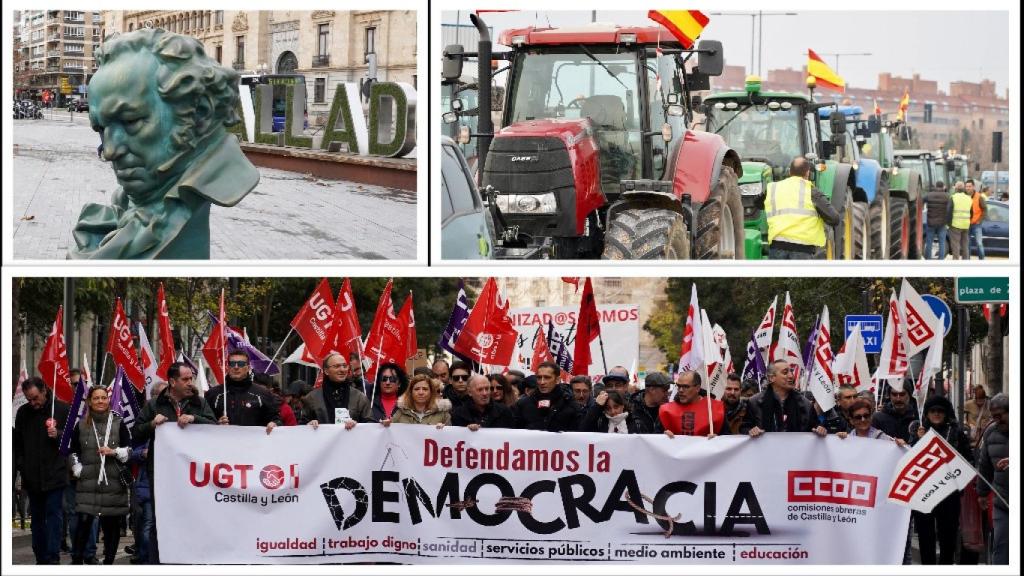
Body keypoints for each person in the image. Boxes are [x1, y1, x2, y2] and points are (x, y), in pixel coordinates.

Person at [69, 28, 259, 259]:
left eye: (130, 121)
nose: (109, 151)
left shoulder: (204, 186)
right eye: (100, 129)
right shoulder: (133, 198)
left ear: (200, 113)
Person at [134, 362, 216, 564]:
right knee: (160, 519)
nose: (190, 383)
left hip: (193, 474)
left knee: (191, 517)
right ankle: (158, 562)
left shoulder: (199, 403)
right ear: (172, 381)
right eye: (185, 379)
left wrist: (195, 418)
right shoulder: (154, 405)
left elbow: (214, 427)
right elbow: (135, 433)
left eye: (191, 379)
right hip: (162, 473)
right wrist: (152, 424)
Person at [69, 386, 131, 565]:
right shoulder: (81, 425)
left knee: (111, 528)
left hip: (112, 485)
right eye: (96, 398)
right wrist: (77, 468)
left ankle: (108, 564)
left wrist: (114, 451)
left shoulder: (119, 422)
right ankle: (77, 560)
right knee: (83, 524)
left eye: (103, 398)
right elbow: (72, 451)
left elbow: (129, 449)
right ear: (89, 401)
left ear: (108, 400)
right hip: (88, 484)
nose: (100, 401)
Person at [14, 377, 70, 565]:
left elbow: (72, 440)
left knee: (53, 517)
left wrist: (59, 434)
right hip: (32, 476)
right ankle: (40, 555)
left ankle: (52, 556)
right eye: (29, 399)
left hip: (55, 474)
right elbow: (18, 444)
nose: (33, 403)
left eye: (35, 398)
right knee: (37, 519)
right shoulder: (23, 412)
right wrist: (22, 465)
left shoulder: (61, 409)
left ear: (44, 391)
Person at [911, 395, 973, 565]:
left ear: (946, 413)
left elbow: (969, 460)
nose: (937, 414)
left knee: (948, 538)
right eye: (933, 411)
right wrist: (918, 440)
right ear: (927, 414)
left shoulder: (956, 432)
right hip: (924, 494)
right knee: (926, 537)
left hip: (949, 493)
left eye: (940, 411)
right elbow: (909, 460)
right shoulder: (918, 431)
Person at [764, 157, 841, 259]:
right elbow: (834, 218)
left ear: (790, 172)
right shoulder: (812, 191)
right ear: (807, 173)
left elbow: (757, 203)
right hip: (802, 251)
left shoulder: (772, 188)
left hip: (776, 249)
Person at [741, 361, 827, 437]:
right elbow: (744, 428)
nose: (791, 376)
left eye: (791, 372)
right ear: (771, 378)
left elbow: (815, 427)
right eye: (785, 373)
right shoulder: (754, 402)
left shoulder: (806, 404)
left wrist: (820, 429)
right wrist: (751, 431)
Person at [205, 350, 281, 433]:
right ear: (228, 367)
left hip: (253, 444)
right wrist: (216, 424)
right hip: (222, 443)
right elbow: (204, 422)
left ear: (248, 368)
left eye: (241, 364)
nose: (236, 367)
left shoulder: (263, 394)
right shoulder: (213, 394)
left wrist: (274, 424)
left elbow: (276, 419)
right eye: (232, 364)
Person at [976, 393, 1009, 565]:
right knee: (1001, 546)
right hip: (1002, 502)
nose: (997, 420)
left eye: (1000, 415)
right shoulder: (990, 432)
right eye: (993, 416)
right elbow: (984, 465)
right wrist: (981, 493)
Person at [303, 352, 372, 429]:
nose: (342, 370)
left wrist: (357, 425)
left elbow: (370, 425)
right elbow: (299, 427)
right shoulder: (312, 398)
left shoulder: (359, 397)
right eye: (337, 366)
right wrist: (308, 425)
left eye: (344, 366)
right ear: (326, 371)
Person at [512, 361, 580, 432]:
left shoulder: (570, 404)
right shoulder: (523, 404)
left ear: (557, 380)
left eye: (547, 377)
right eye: (539, 377)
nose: (542, 382)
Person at [660, 370, 728, 438]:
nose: (680, 390)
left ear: (697, 388)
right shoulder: (666, 410)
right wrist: (663, 436)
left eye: (686, 387)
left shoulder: (716, 409)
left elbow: (728, 439)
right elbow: (654, 439)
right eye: (679, 386)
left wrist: (718, 439)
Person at [452, 373, 516, 429]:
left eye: (487, 389)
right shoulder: (459, 414)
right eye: (480, 390)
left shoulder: (504, 411)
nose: (485, 393)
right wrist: (467, 431)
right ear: (470, 392)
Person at [835, 399, 906, 445]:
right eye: (858, 417)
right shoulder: (846, 439)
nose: (863, 419)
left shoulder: (882, 438)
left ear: (871, 416)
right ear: (851, 420)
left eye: (866, 415)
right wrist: (837, 440)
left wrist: (902, 445)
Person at [579, 390, 647, 433]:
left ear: (622, 406)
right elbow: (583, 430)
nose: (613, 411)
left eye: (616, 407)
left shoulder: (637, 423)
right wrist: (597, 405)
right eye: (608, 408)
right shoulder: (600, 422)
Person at [923, 180, 950, 259]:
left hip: (931, 223)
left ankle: (928, 259)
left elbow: (921, 201)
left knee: (929, 242)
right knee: (942, 243)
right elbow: (949, 209)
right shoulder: (947, 196)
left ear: (935, 186)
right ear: (943, 186)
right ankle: (940, 260)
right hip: (942, 223)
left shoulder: (929, 195)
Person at [947, 180, 972, 260]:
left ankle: (956, 262)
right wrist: (968, 221)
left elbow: (949, 211)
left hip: (955, 225)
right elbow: (972, 212)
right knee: (965, 245)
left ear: (956, 189)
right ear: (964, 188)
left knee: (956, 245)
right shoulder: (969, 198)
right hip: (966, 225)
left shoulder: (953, 197)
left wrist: (948, 224)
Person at [966, 178, 987, 259]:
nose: (968, 188)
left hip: (976, 224)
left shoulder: (979, 197)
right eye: (966, 186)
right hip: (966, 224)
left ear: (973, 187)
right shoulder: (964, 196)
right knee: (967, 244)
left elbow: (985, 209)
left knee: (979, 243)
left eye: (969, 186)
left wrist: (980, 220)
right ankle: (967, 260)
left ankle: (982, 260)